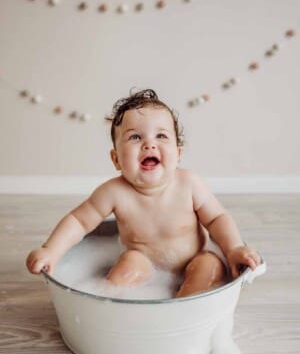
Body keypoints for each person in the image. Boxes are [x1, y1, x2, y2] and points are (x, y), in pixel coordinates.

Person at [26, 89, 261, 297]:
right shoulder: (113, 192)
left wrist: (233, 248)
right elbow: (78, 221)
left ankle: (185, 304)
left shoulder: (189, 183)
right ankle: (114, 306)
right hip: (144, 262)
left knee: (210, 266)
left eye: (161, 136)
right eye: (135, 137)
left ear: (178, 153)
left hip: (195, 258)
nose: (149, 144)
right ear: (116, 158)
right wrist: (51, 250)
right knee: (127, 266)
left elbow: (217, 218)